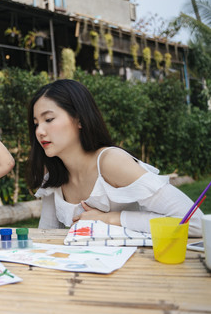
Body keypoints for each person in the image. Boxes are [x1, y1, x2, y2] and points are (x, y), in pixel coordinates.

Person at [26, 79, 202, 237]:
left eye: (48, 119)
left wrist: (110, 218)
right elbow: (45, 236)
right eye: (36, 124)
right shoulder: (54, 178)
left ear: (79, 120)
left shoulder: (110, 162)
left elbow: (195, 222)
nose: (39, 131)